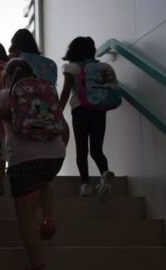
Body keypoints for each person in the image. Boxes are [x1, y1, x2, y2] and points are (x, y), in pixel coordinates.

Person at [0, 59, 66, 270]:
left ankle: (37, 264)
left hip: (24, 158)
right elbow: (61, 122)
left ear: (7, 77)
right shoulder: (46, 91)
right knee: (44, 182)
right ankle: (49, 218)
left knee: (26, 216)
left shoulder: (7, 93)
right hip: (54, 155)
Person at [59, 36, 117, 198]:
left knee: (82, 150)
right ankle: (104, 174)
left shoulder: (71, 68)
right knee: (97, 149)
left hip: (80, 110)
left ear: (73, 50)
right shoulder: (102, 67)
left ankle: (85, 185)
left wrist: (58, 111)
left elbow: (65, 91)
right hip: (99, 110)